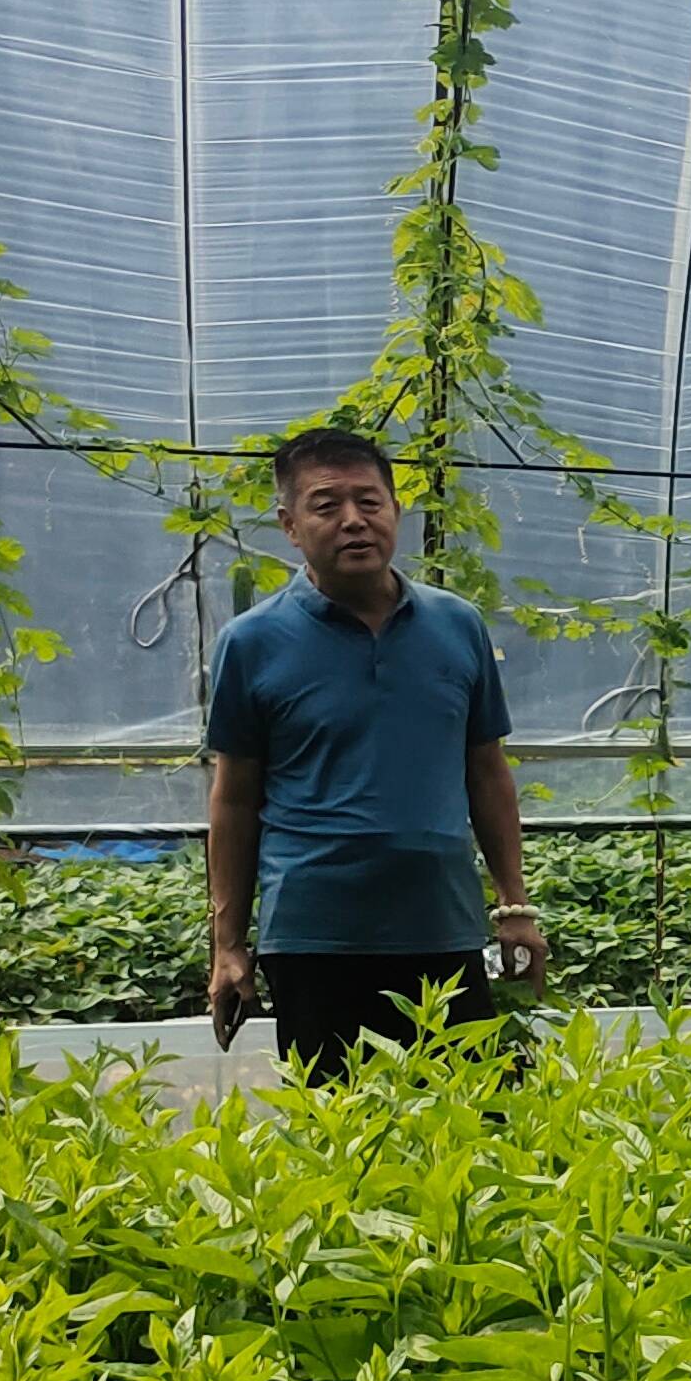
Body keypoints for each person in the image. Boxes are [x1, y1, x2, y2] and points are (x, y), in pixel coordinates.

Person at [202, 428, 547, 1078]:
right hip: (314, 939)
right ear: (291, 525)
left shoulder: (457, 625)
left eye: (370, 501)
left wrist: (515, 907)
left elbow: (487, 771)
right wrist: (228, 945)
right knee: (343, 1142)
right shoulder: (252, 643)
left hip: (442, 931)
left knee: (476, 1131)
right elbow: (235, 798)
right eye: (327, 505)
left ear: (396, 511)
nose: (354, 521)